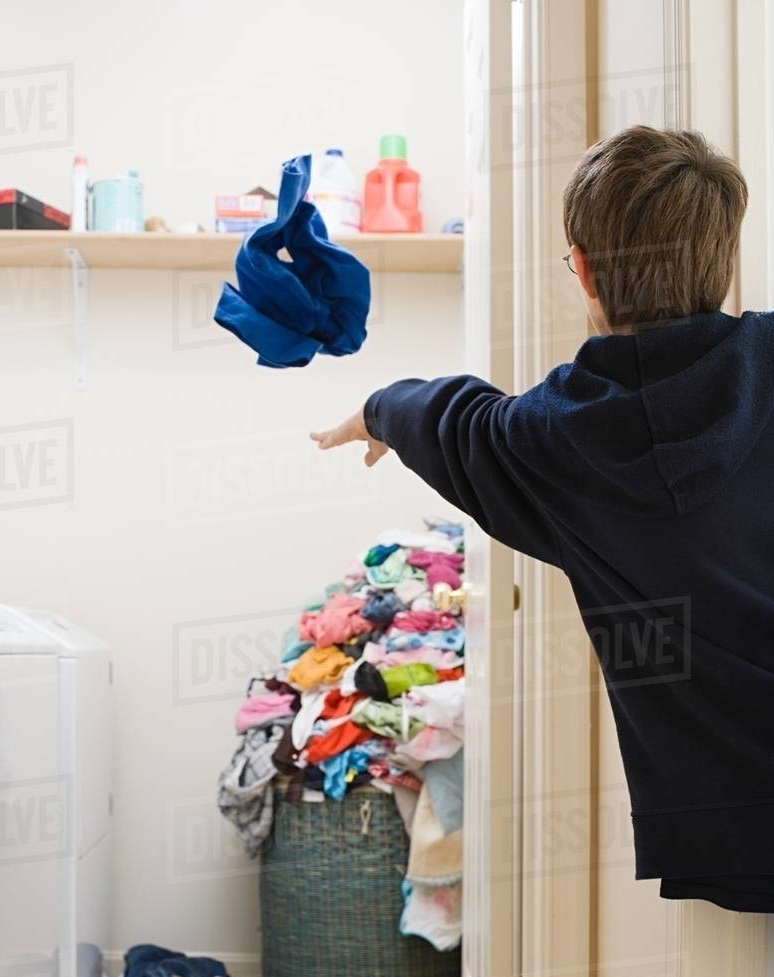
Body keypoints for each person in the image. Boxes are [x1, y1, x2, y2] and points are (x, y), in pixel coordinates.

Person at [310, 125, 774, 915]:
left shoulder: (550, 441)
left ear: (585, 271)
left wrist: (373, 412)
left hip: (736, 836)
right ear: (723, 259)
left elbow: (450, 416)